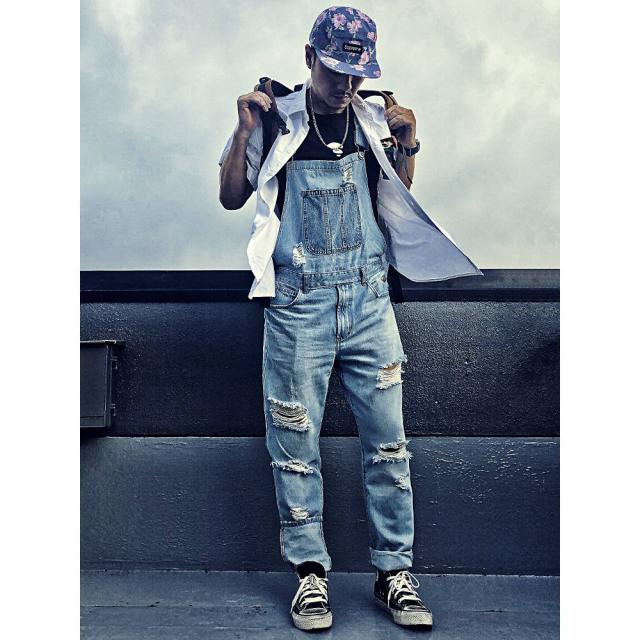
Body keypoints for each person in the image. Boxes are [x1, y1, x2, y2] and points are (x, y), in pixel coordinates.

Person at [218, 6, 482, 631]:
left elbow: (396, 196)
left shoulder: (372, 121)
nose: (346, 85)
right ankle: (310, 576)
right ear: (309, 57)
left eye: (356, 74)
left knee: (389, 445)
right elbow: (231, 196)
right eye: (335, 70)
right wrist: (242, 129)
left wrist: (408, 143)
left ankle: (394, 574)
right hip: (297, 304)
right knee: (294, 445)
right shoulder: (274, 117)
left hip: (368, 300)